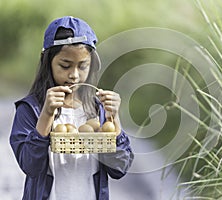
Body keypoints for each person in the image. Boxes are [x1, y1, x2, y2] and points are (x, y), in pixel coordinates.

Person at [9, 16, 134, 200]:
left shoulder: (97, 109)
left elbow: (119, 168)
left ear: (92, 65)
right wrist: (46, 114)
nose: (74, 75)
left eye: (83, 66)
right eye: (65, 66)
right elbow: (30, 167)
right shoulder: (31, 109)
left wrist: (113, 119)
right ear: (47, 63)